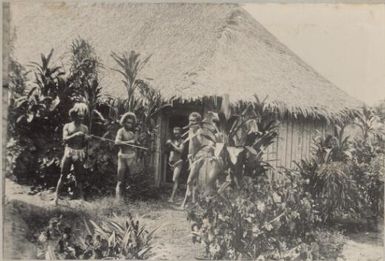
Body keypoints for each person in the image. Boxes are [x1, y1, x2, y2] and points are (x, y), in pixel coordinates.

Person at [181, 112, 222, 209]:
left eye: (193, 121)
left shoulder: (199, 131)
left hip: (199, 157)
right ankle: (192, 202)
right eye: (190, 120)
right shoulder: (191, 130)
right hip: (192, 157)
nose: (191, 122)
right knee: (193, 181)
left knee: (189, 180)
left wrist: (193, 136)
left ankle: (185, 203)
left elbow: (199, 143)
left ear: (198, 122)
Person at [54, 103, 89, 206]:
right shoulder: (68, 126)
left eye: (83, 116)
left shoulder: (85, 128)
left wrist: (86, 139)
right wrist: (75, 134)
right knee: (63, 175)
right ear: (74, 115)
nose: (81, 118)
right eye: (79, 116)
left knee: (79, 177)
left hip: (79, 153)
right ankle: (56, 198)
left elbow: (84, 144)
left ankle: (81, 200)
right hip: (69, 152)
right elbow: (65, 139)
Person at [115, 112, 138, 202]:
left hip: (131, 157)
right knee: (120, 180)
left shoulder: (132, 133)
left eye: (131, 123)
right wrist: (129, 142)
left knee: (131, 179)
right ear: (124, 122)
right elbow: (117, 142)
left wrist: (136, 142)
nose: (129, 124)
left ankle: (128, 199)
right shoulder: (121, 131)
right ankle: (118, 200)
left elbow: (134, 144)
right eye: (128, 122)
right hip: (122, 157)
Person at [166, 126, 185, 203]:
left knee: (174, 179)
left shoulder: (182, 141)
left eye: (177, 133)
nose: (176, 135)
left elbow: (180, 150)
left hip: (178, 162)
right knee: (174, 180)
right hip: (171, 163)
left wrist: (172, 144)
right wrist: (168, 144)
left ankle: (172, 198)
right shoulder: (172, 140)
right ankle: (175, 194)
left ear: (180, 134)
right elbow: (167, 150)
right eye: (174, 133)